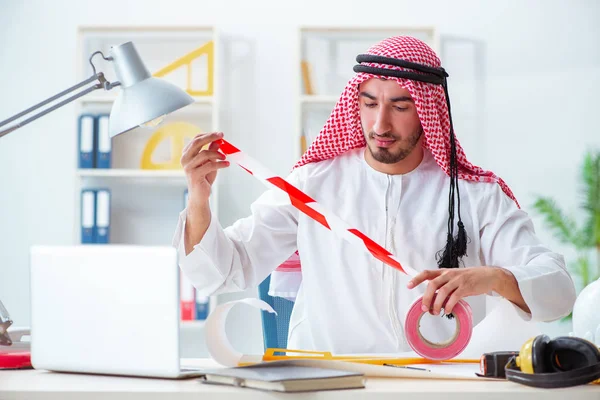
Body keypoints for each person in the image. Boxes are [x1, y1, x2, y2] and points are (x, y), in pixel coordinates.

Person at [172, 36, 576, 354]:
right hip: (328, 380)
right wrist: (199, 199)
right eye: (369, 103)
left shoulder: (476, 195)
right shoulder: (311, 183)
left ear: (428, 110)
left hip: (436, 385)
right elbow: (224, 271)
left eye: (400, 106)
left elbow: (558, 290)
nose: (380, 123)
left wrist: (492, 277)